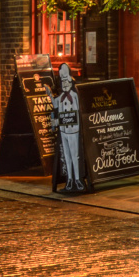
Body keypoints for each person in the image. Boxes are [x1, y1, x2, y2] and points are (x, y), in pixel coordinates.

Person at [51, 63, 85, 194]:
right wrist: (48, 93)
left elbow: (78, 111)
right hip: (63, 130)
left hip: (73, 130)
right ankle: (69, 179)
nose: (64, 83)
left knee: (75, 155)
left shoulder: (75, 96)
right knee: (66, 156)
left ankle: (77, 179)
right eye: (62, 81)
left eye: (66, 80)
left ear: (70, 80)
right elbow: (55, 104)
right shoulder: (61, 97)